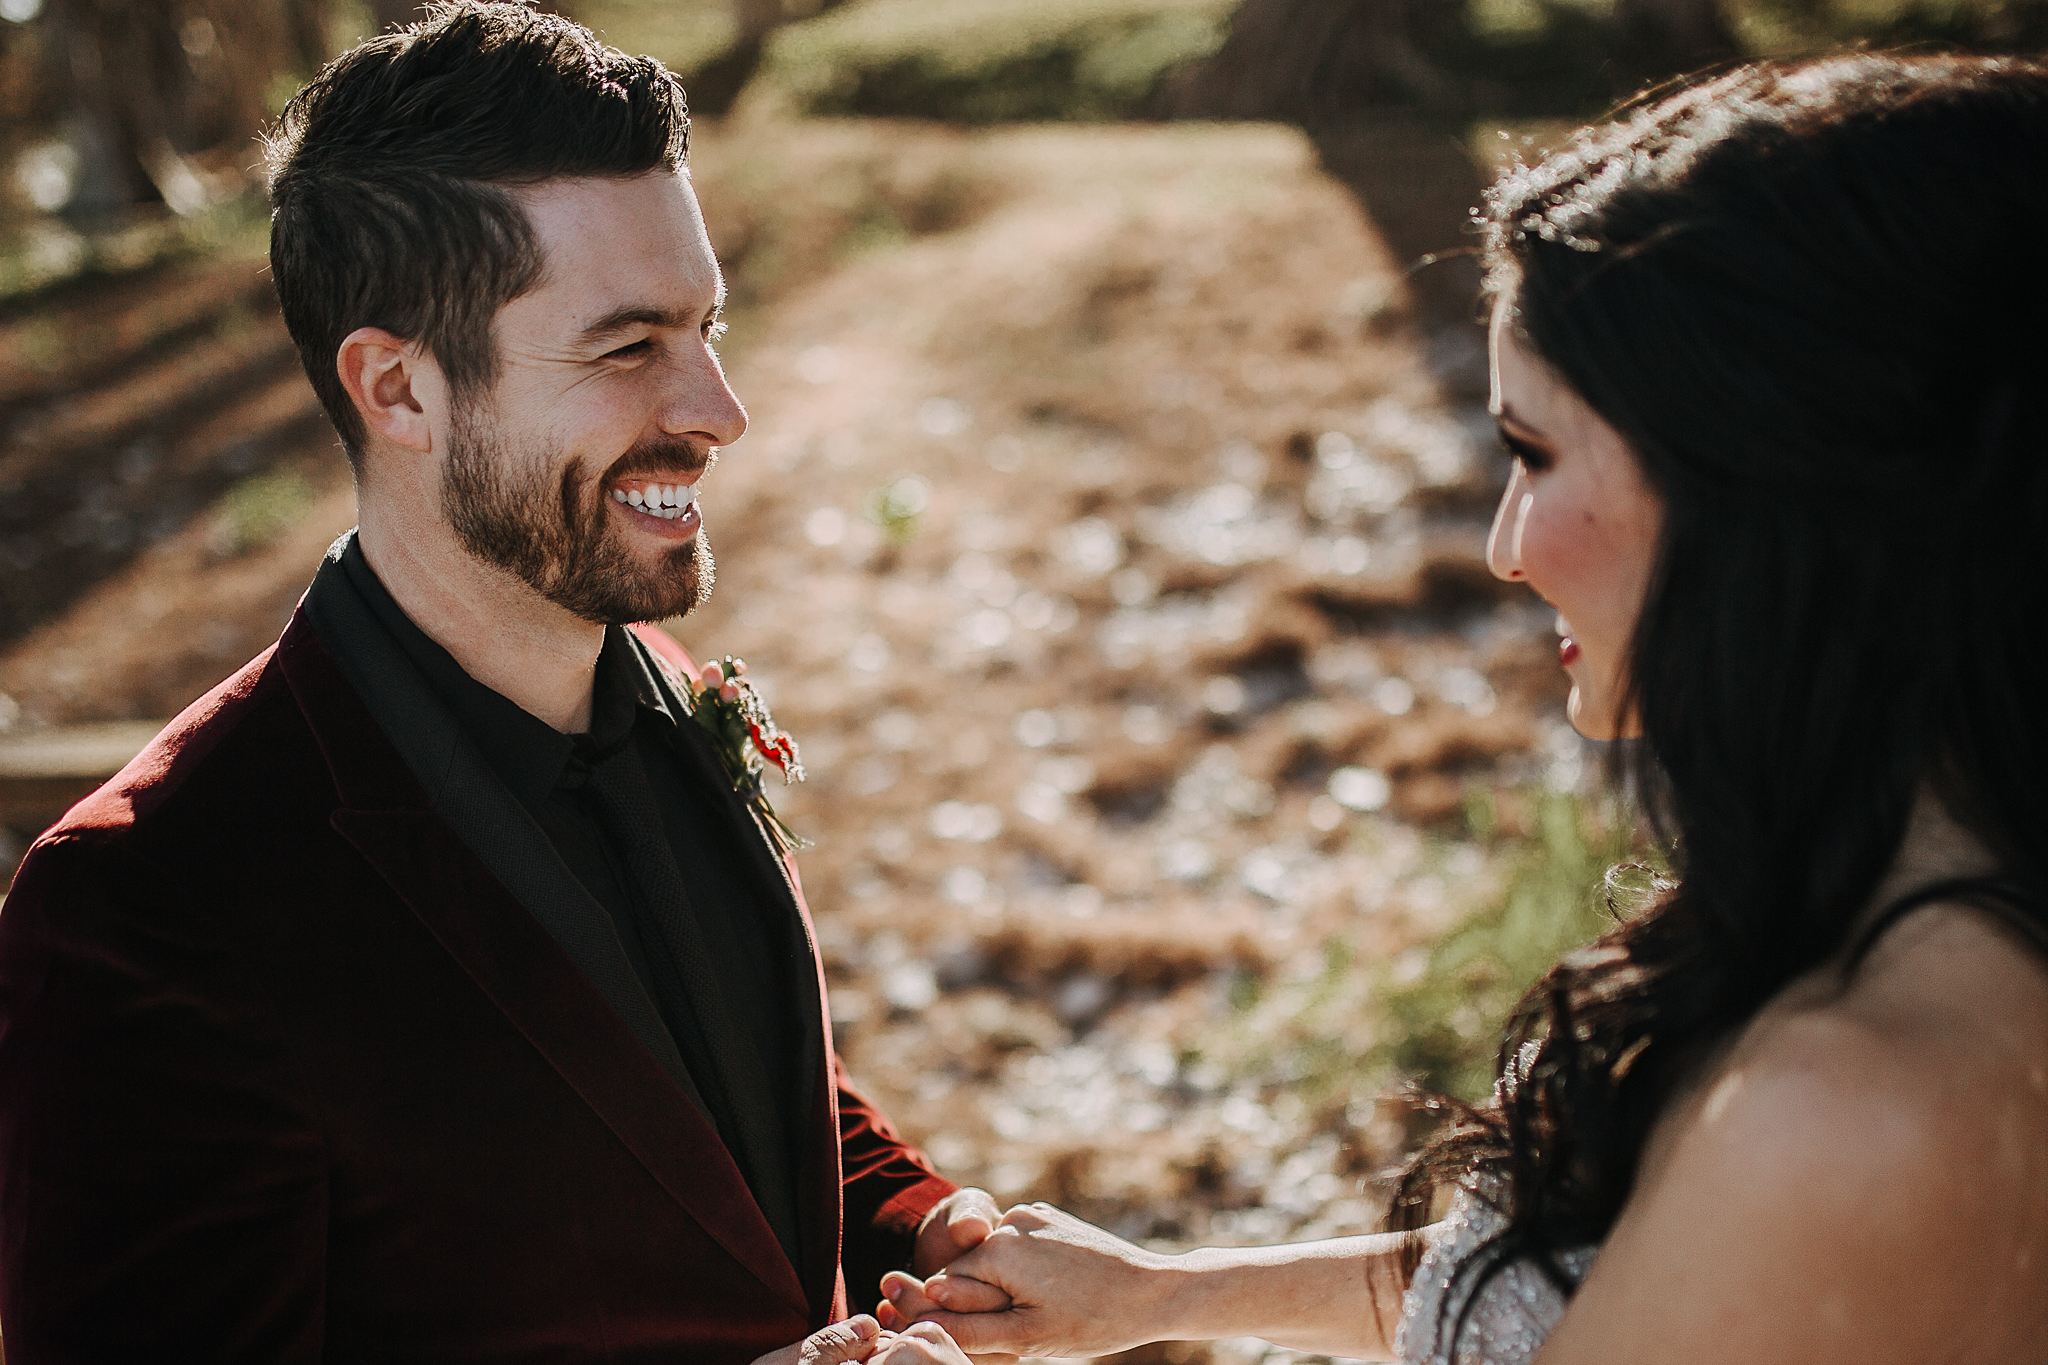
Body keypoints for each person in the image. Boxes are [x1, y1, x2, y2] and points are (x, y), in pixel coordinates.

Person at [861, 52, 2048, 1365]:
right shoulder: (1939, 928)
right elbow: (1589, 1277)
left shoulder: (1840, 1108)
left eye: (1534, 455)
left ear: (1764, 480)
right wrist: (1164, 1296)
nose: (1501, 545)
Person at [0, 5, 1000, 1360]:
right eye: (629, 346)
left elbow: (722, 1083)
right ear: (399, 389)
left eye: (708, 326)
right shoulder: (146, 904)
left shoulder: (667, 685)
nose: (717, 407)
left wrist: (926, 1222)